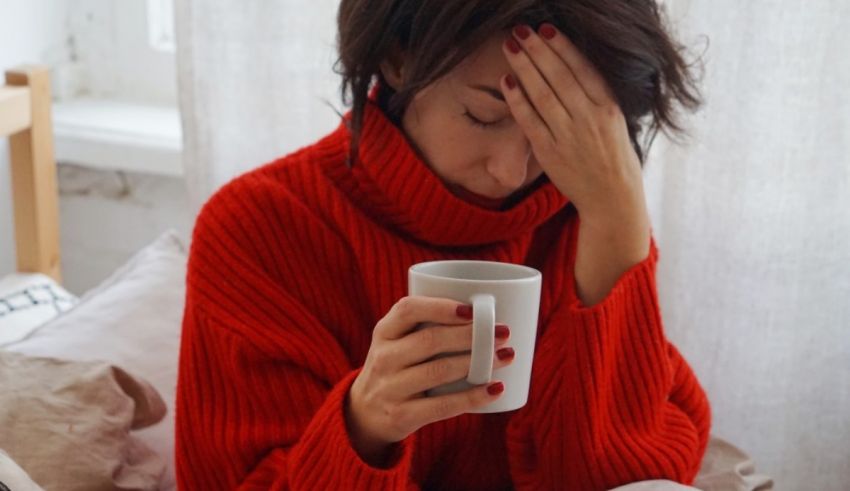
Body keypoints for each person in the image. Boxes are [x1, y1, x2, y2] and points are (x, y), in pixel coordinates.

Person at [174, 1, 711, 489]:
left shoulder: (588, 215)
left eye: (551, 131)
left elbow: (634, 477)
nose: (510, 172)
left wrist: (618, 226)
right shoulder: (261, 228)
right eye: (485, 115)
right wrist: (363, 425)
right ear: (396, 60)